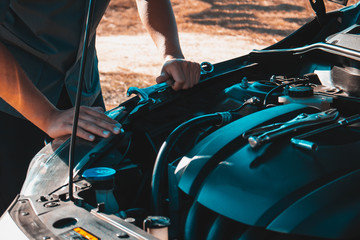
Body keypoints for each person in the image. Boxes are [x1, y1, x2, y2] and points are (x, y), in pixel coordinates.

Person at [0, 0, 201, 214]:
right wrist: (47, 116)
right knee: (15, 214)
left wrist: (171, 53)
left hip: (81, 90)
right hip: (12, 102)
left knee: (95, 202)